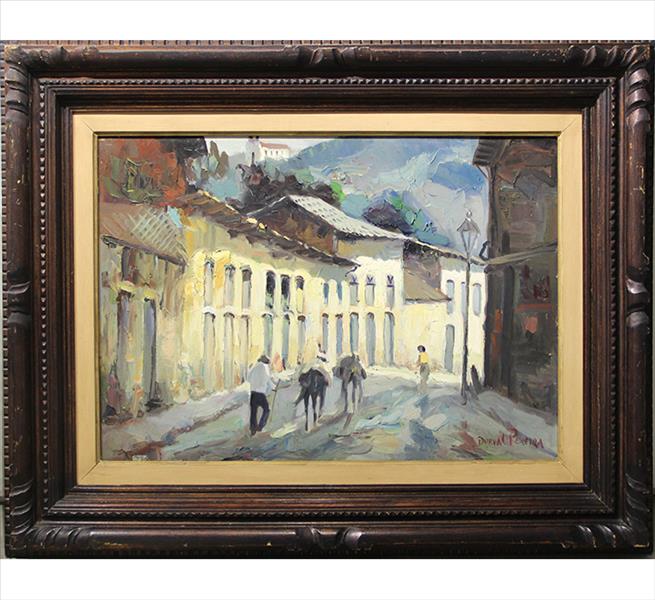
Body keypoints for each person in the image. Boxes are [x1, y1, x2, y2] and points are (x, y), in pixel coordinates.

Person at [246, 354, 276, 435]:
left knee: (253, 412)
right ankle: (260, 426)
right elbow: (267, 379)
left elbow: (248, 378)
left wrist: (254, 383)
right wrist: (274, 387)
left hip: (253, 393)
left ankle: (253, 429)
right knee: (267, 409)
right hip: (260, 393)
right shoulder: (265, 367)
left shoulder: (254, 367)